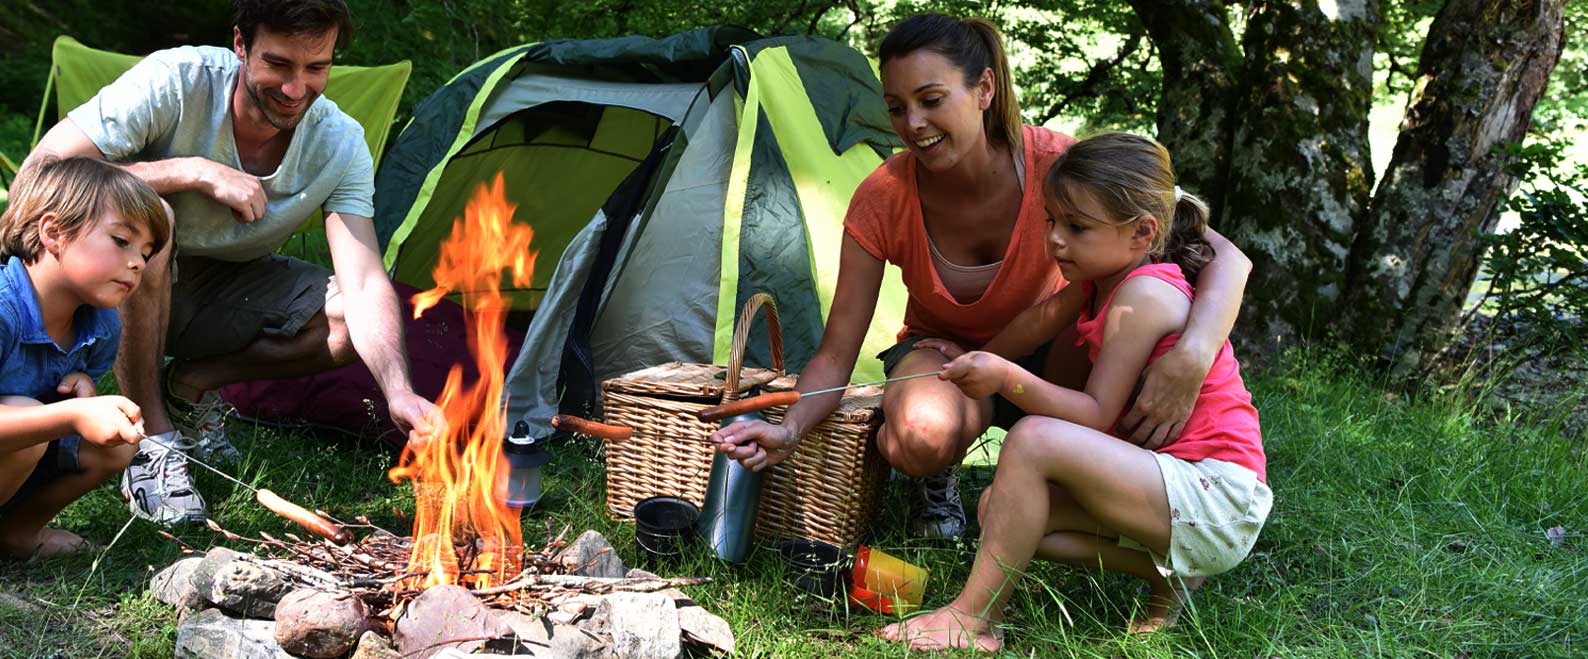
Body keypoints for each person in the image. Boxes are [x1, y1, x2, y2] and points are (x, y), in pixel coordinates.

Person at [712, 13, 1252, 539]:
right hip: (945, 354)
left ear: (984, 89)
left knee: (1114, 362)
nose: (912, 125)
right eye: (897, 108)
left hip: (1059, 346)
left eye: (931, 100)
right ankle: (931, 471)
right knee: (919, 437)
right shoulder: (883, 197)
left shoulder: (1062, 166)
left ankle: (1086, 495)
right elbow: (834, 352)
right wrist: (789, 428)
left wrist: (1193, 355)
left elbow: (1226, 256)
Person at [22, 0, 439, 526]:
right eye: (279, 65)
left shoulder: (340, 141)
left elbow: (363, 278)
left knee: (343, 321)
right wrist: (190, 171)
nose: (296, 89)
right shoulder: (178, 79)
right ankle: (154, 442)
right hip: (105, 290)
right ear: (240, 44)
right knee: (156, 219)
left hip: (218, 290)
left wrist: (397, 390)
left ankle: (190, 386)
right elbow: (39, 175)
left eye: (317, 68)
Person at [878, 132, 1271, 650]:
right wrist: (977, 354)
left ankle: (973, 621)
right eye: (1052, 222)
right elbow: (1039, 320)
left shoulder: (1143, 296)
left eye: (1077, 227)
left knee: (1035, 439)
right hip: (1171, 489)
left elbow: (1093, 414)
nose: (1056, 240)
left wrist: (1005, 378)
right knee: (1002, 510)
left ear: (1142, 232)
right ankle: (1170, 576)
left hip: (1216, 497)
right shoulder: (1102, 279)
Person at [0, 157, 171, 558]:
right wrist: (73, 415)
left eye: (146, 252)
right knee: (26, 431)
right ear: (54, 233)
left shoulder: (102, 325)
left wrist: (81, 391)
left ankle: (15, 533)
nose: (137, 263)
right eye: (121, 240)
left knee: (116, 445)